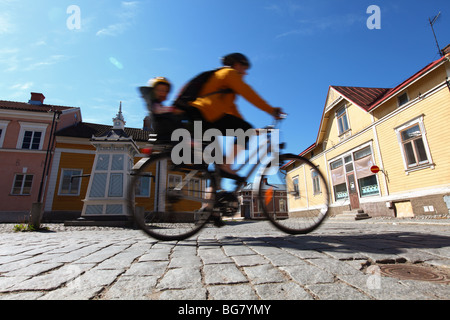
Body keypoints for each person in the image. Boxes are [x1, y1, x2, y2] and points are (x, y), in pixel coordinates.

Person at [184, 53, 283, 177]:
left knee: (218, 162)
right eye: (244, 69)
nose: (245, 73)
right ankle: (227, 167)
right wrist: (272, 110)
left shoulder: (224, 86)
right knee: (225, 161)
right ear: (237, 65)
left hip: (200, 116)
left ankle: (214, 191)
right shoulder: (229, 73)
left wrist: (252, 131)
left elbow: (234, 114)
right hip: (205, 114)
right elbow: (250, 94)